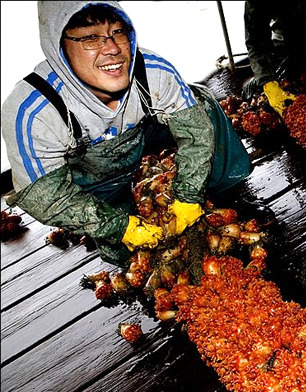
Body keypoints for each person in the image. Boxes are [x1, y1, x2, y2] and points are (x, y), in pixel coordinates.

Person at [1, 1, 254, 266]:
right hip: (94, 178)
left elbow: (196, 132)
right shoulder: (33, 111)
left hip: (145, 139)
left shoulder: (152, 70)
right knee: (127, 256)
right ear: (59, 46)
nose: (112, 48)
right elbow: (46, 197)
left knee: (201, 101)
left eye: (118, 32)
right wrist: (120, 227)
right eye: (90, 38)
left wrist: (189, 196)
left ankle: (228, 190)